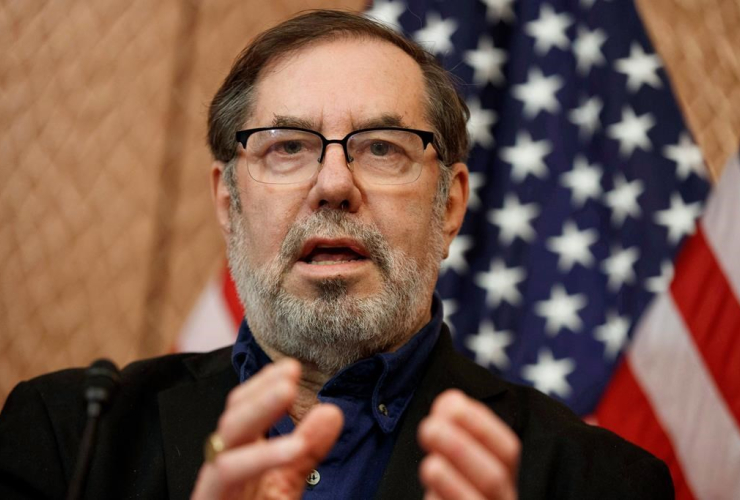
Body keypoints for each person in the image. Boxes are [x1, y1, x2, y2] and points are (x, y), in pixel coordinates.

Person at [0, 10, 673, 500]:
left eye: (383, 147)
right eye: (286, 147)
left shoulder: (601, 482)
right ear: (229, 202)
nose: (333, 185)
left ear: (449, 205)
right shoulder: (70, 442)